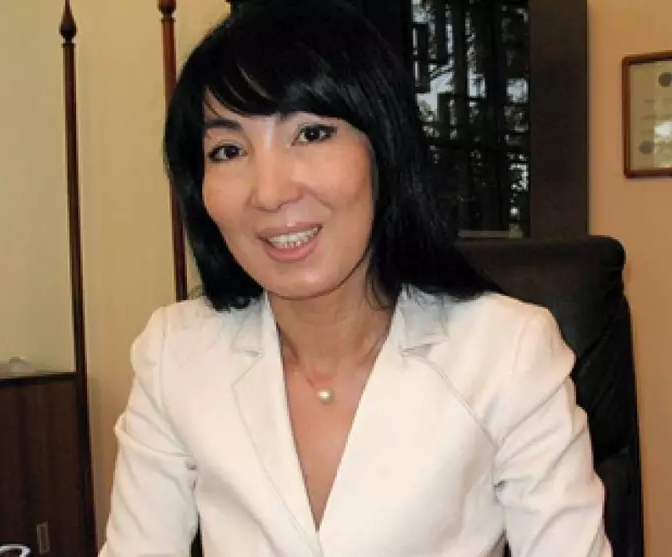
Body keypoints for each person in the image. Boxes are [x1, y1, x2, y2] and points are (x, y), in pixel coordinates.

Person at [100, 0, 611, 555]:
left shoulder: (506, 352)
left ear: (383, 149)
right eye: (228, 150)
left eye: (312, 134)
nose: (270, 192)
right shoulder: (175, 354)